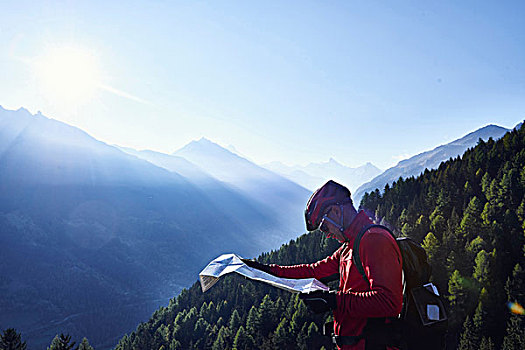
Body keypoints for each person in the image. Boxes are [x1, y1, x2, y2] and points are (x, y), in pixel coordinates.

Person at [242, 180, 403, 350]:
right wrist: (267, 270)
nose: (326, 235)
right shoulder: (349, 246)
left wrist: (334, 300)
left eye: (324, 227)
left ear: (335, 211)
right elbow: (314, 270)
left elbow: (389, 302)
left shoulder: (373, 240)